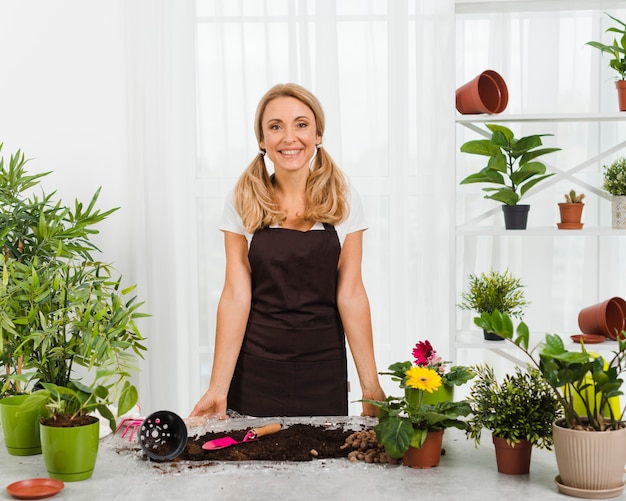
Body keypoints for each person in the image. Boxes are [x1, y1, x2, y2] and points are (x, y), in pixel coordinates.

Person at [190, 83, 385, 418]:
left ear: (318, 134)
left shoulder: (345, 199)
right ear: (262, 140)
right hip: (256, 372)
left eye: (301, 124)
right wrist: (217, 388)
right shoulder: (243, 200)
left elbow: (351, 294)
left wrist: (371, 387)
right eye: (276, 126)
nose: (289, 137)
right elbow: (236, 297)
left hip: (324, 372)